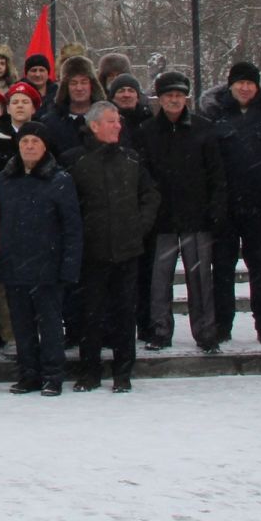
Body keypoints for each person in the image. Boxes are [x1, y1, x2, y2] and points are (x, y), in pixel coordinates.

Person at [202, 61, 261, 346]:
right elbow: (202, 158)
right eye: (240, 82)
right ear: (230, 85)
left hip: (258, 206)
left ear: (257, 87)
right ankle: (222, 325)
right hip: (224, 208)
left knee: (260, 268)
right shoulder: (213, 116)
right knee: (221, 269)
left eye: (250, 83)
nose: (245, 88)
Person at [66, 104, 159, 393]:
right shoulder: (75, 160)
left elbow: (150, 196)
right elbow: (68, 207)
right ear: (94, 126)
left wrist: (138, 226)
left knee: (124, 314)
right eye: (111, 121)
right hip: (91, 253)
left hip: (127, 250)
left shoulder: (131, 158)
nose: (118, 126)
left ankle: (123, 373)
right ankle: (89, 372)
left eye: (118, 121)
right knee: (90, 314)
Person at [134, 72, 226, 355]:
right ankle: (160, 330)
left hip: (196, 219)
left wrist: (215, 209)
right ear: (159, 99)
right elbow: (142, 176)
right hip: (161, 221)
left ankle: (205, 332)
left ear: (185, 98)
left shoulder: (203, 128)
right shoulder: (147, 131)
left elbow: (216, 174)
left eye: (178, 95)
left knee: (200, 281)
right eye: (168, 95)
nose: (173, 100)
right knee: (159, 281)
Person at [0, 123, 82, 396]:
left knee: (51, 325)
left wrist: (69, 266)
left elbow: (72, 227)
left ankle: (53, 375)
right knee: (21, 326)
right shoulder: (4, 180)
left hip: (48, 267)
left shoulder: (60, 179)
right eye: (25, 141)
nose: (29, 146)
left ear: (45, 147)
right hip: (14, 264)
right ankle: (29, 374)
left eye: (35, 141)